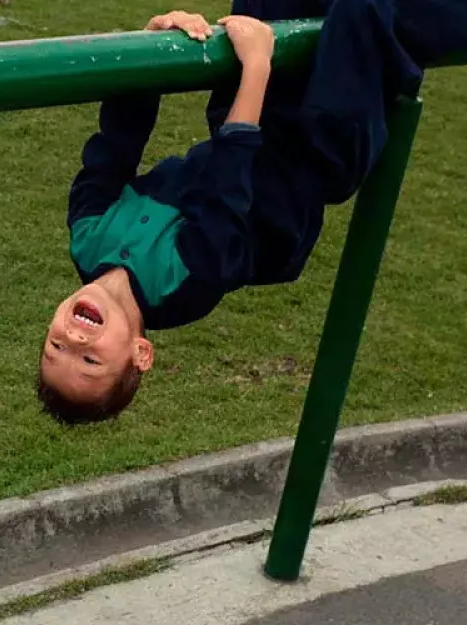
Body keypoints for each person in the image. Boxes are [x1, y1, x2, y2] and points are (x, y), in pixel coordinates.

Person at [36, 0, 465, 425]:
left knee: (260, 9)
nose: (75, 338)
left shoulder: (88, 236)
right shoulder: (183, 288)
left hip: (248, 115)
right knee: (364, 9)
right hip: (315, 150)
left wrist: (156, 42)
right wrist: (257, 66)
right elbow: (225, 185)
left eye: (56, 347)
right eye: (90, 359)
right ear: (140, 353)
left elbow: (116, 145)